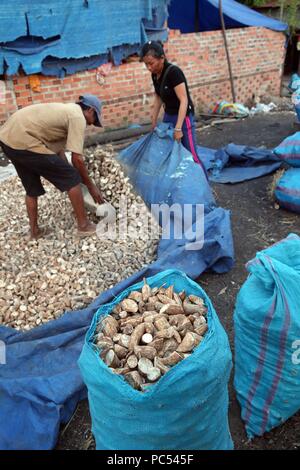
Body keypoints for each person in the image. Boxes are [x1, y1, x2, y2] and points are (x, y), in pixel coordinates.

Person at [0, 94, 104, 239]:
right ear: (91, 110)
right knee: (73, 177)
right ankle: (84, 226)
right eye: (95, 120)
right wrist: (90, 186)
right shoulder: (78, 117)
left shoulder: (65, 111)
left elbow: (58, 152)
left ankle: (34, 232)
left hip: (8, 139)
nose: (92, 124)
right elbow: (77, 159)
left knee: (32, 188)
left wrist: (65, 172)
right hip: (24, 139)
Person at [141, 40, 207, 175]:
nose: (149, 67)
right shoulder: (155, 74)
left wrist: (178, 128)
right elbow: (159, 97)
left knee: (190, 153)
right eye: (146, 64)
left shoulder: (174, 73)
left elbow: (184, 100)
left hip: (183, 116)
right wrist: (154, 119)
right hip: (169, 115)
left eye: (151, 63)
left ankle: (204, 187)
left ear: (162, 58)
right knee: (171, 152)